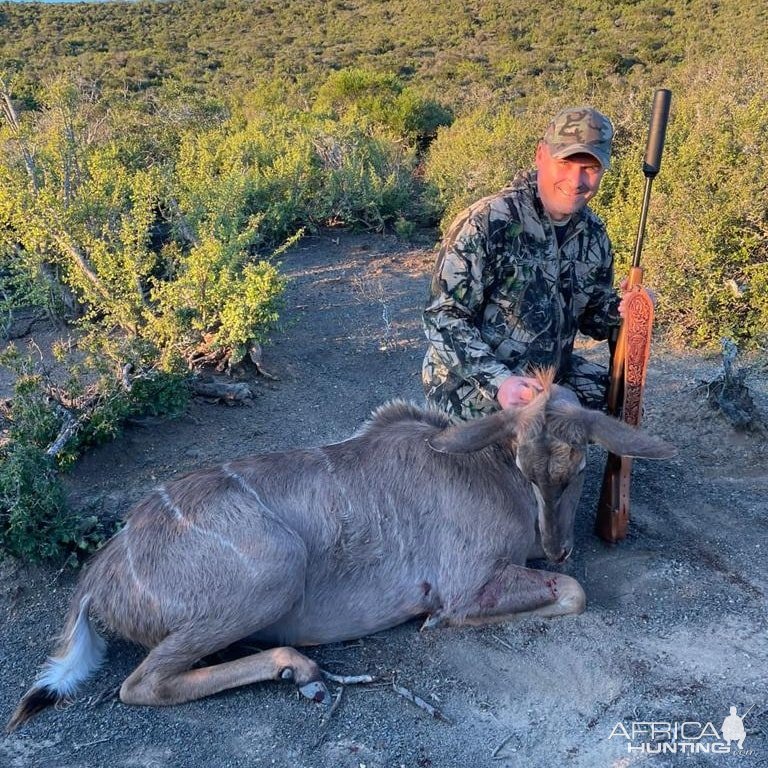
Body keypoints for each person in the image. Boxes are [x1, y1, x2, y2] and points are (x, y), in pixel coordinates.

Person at [423, 106, 624, 419]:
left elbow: (595, 318)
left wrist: (626, 308)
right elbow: (443, 318)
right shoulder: (488, 222)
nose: (577, 180)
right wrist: (500, 383)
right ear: (540, 155)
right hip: (474, 379)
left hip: (548, 375)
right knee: (521, 434)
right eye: (566, 162)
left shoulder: (593, 233)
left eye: (590, 168)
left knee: (614, 400)